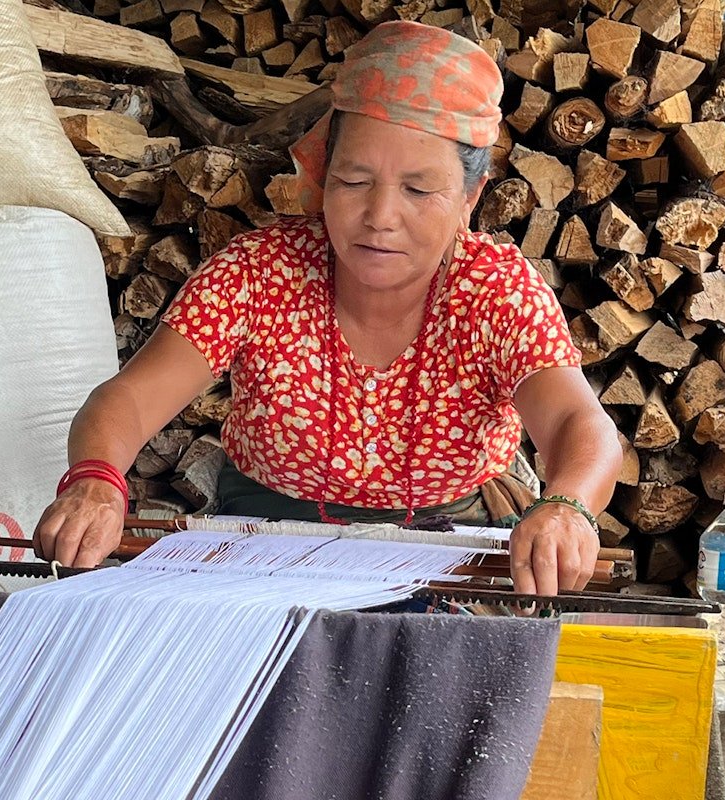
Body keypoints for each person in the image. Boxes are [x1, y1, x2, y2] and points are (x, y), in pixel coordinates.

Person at [34, 21, 621, 596]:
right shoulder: (259, 273)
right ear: (322, 179)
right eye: (353, 181)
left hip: (449, 551)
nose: (381, 217)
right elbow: (129, 400)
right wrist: (96, 482)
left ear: (470, 195)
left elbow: (579, 423)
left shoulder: (494, 291)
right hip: (265, 548)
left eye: (418, 190)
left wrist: (568, 507)